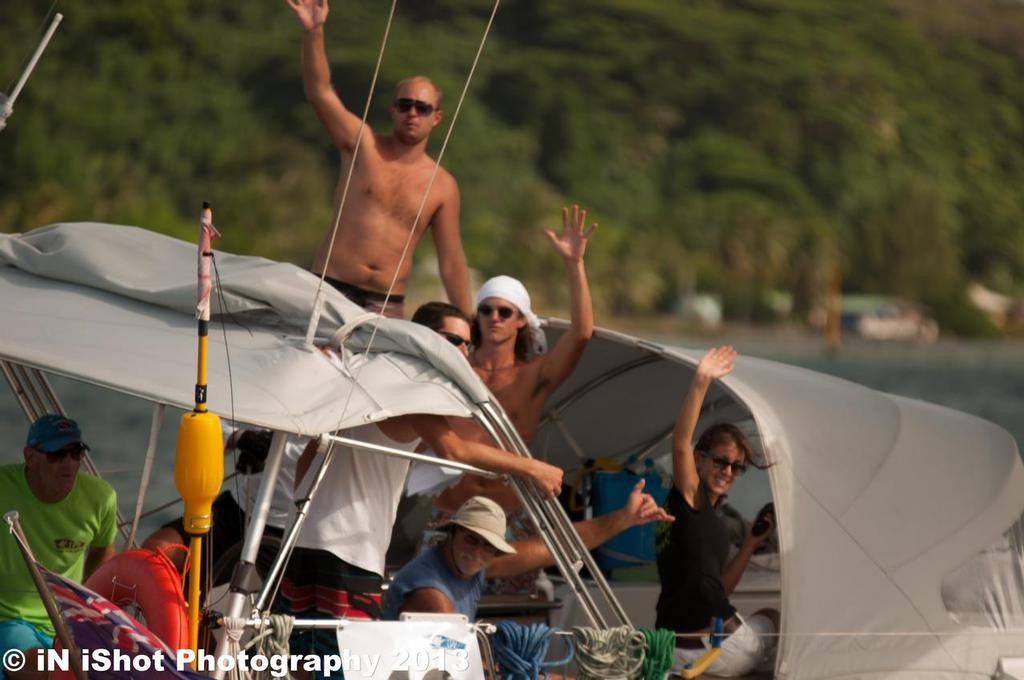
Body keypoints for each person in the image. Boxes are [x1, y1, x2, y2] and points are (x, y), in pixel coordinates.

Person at [275, 346, 564, 659]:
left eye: (488, 546)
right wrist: (532, 467)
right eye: (455, 341)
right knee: (342, 665)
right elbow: (455, 450)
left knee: (302, 658)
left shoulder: (364, 386)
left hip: (303, 539)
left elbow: (308, 455)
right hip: (349, 550)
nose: (464, 351)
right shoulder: (410, 398)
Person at [287, 0, 471, 318]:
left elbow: (452, 263)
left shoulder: (443, 186)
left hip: (386, 305)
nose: (412, 113)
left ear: (436, 118)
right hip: (331, 289)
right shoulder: (362, 145)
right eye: (405, 104)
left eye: (422, 107)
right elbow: (320, 92)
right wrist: (313, 32)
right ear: (393, 110)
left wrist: (470, 325)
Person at [655, 346, 779, 677]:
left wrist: (751, 544)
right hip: (711, 651)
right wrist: (701, 381)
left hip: (670, 649)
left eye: (736, 467)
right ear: (699, 459)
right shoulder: (689, 498)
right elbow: (680, 443)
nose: (727, 471)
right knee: (775, 618)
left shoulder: (701, 517)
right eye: (720, 461)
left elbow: (718, 590)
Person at [382, 482, 673, 620]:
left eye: (489, 546)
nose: (479, 552)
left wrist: (623, 518)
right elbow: (452, 664)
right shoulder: (431, 594)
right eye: (473, 539)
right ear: (451, 533)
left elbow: (551, 548)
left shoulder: (471, 562)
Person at [0, 415, 117, 680]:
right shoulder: (2, 487)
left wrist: (86, 610)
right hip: (7, 619)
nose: (69, 463)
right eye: (57, 454)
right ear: (30, 457)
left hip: (68, 623)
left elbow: (103, 550)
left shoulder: (101, 499)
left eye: (76, 453)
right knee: (46, 670)